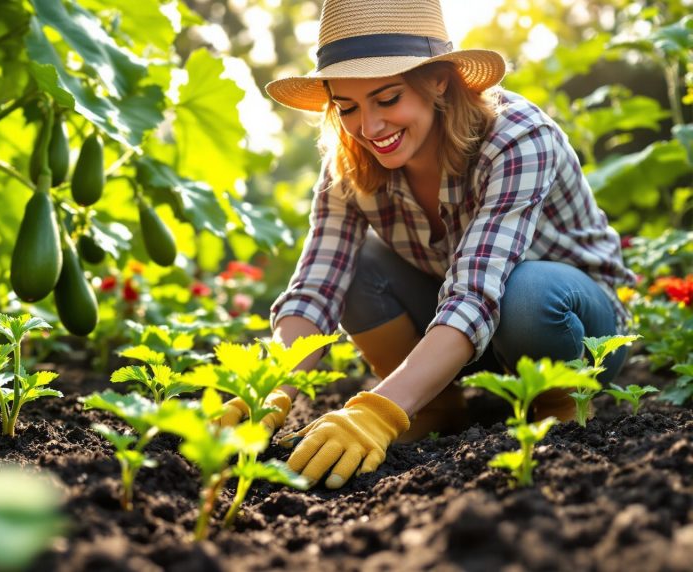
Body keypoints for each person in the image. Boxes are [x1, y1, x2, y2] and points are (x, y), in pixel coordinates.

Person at [217, 0, 636, 490]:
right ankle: (434, 405)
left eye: (387, 98)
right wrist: (266, 389)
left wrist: (377, 409)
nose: (369, 128)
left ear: (438, 80)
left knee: (527, 293)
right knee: (356, 268)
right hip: (463, 338)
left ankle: (557, 415)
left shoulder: (517, 138)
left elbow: (477, 292)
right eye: (347, 107)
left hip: (575, 328)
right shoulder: (350, 160)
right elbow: (316, 287)